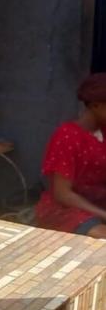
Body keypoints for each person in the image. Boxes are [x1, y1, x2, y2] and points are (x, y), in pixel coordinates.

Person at [36, 73, 106, 238]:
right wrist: (103, 214)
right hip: (67, 209)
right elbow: (63, 194)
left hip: (99, 203)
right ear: (96, 106)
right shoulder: (67, 135)